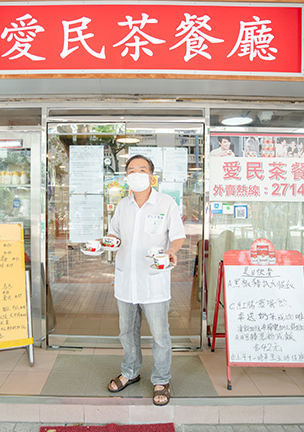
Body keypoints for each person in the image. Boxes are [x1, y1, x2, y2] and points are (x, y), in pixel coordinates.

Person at [106, 154, 186, 406]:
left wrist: (172, 251)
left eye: (142, 169)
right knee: (127, 332)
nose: (136, 173)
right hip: (126, 280)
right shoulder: (122, 206)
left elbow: (178, 236)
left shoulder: (166, 203)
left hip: (154, 281)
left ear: (152, 176)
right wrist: (107, 242)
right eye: (131, 170)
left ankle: (161, 379)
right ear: (127, 176)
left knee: (160, 335)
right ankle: (130, 372)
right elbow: (114, 234)